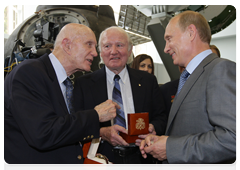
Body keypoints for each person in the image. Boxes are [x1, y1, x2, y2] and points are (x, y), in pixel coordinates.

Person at [4, 23, 119, 170]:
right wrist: (95, 115)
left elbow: (66, 128)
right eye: (89, 44)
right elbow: (43, 133)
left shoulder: (67, 83)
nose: (95, 53)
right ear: (67, 45)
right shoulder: (28, 73)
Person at [140, 10, 238, 170]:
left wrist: (171, 148)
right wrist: (163, 141)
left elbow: (234, 138)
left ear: (191, 33)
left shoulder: (220, 70)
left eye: (169, 39)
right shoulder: (190, 76)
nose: (165, 48)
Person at [73, 26, 167, 170]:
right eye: (107, 46)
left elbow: (161, 117)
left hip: (142, 158)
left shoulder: (148, 81)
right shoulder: (83, 84)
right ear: (100, 51)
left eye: (119, 45)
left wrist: (153, 127)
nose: (113, 51)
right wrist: (101, 133)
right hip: (102, 160)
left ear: (130, 50)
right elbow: (77, 124)